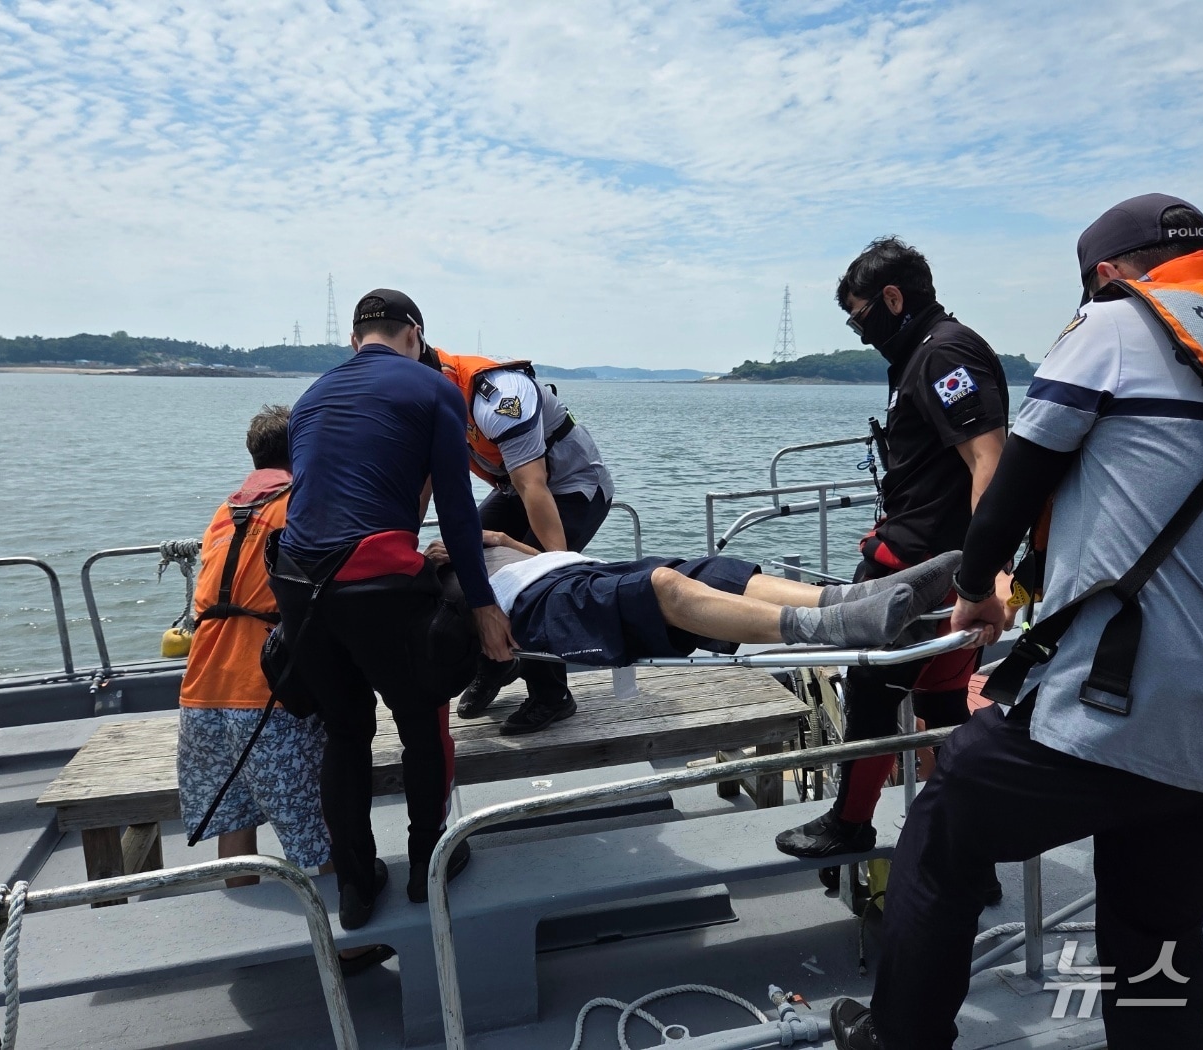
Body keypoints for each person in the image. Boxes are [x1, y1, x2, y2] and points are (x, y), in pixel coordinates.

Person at [828, 194, 1203, 1049]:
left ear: (1105, 275)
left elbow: (1014, 485)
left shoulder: (1113, 325)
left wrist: (980, 585)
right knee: (1154, 934)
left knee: (945, 824)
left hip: (1131, 709)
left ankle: (898, 1037)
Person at [269, 289, 515, 932]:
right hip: (375, 583)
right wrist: (484, 607)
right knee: (420, 718)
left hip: (298, 586)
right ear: (415, 334)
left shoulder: (310, 398)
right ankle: (427, 862)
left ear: (354, 340)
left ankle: (355, 887)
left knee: (346, 733)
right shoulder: (433, 388)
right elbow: (458, 513)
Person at [775, 237, 1008, 887]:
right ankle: (970, 851)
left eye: (858, 316)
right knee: (940, 702)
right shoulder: (927, 354)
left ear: (892, 299)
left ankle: (849, 824)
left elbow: (991, 459)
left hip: (919, 568)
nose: (858, 331)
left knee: (873, 699)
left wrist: (981, 576)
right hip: (942, 561)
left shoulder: (943, 355)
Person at [176, 405, 329, 887]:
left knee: (234, 816)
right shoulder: (299, 504)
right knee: (312, 829)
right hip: (262, 695)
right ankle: (349, 942)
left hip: (200, 693)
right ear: (303, 450)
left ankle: (243, 935)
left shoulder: (227, 510)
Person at [431, 348, 616, 734]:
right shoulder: (421, 399)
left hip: (573, 487)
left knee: (532, 584)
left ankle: (552, 695)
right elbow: (427, 485)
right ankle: (497, 664)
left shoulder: (499, 396)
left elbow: (533, 484)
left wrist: (542, 560)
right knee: (455, 561)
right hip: (515, 487)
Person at [428, 533, 963, 665]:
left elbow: (549, 553)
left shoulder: (486, 542)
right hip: (544, 606)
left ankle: (851, 598)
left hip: (575, 572)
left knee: (708, 570)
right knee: (662, 587)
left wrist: (500, 541)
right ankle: (842, 628)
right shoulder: (445, 580)